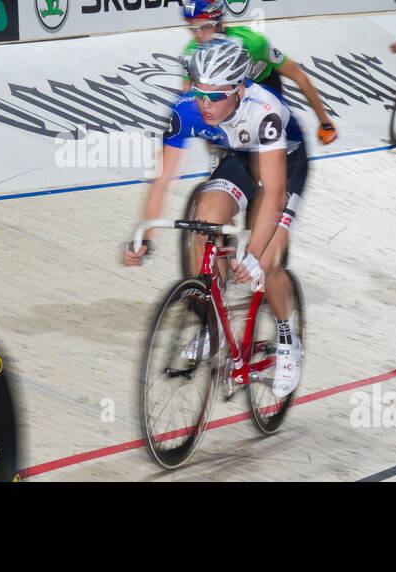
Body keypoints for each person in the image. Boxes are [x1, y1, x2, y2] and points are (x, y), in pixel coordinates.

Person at [125, 36, 306, 396]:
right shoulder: (187, 108)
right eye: (199, 92)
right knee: (204, 219)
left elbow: (272, 191)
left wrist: (254, 254)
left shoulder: (263, 110)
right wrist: (146, 239)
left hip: (284, 165)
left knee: (268, 259)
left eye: (216, 96)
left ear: (239, 88)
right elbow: (162, 180)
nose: (205, 104)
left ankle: (288, 340)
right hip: (239, 158)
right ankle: (215, 324)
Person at [181, 0, 338, 146]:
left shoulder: (254, 42)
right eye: (194, 30)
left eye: (205, 27)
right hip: (229, 93)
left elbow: (300, 78)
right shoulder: (192, 52)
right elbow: (189, 95)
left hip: (265, 84)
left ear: (221, 25)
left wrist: (325, 122)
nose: (199, 36)